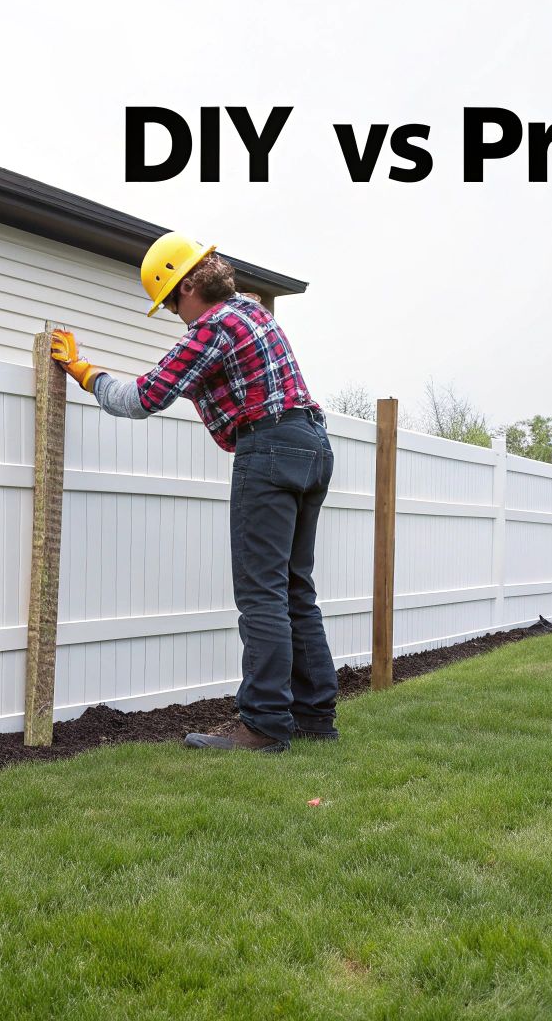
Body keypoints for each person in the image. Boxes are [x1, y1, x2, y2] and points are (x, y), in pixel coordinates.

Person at [50, 233, 338, 752]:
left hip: (269, 449)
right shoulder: (253, 314)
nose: (174, 317)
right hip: (311, 444)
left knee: (262, 593)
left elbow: (143, 398)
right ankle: (315, 716)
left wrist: (83, 371)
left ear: (186, 287)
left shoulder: (213, 326)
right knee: (295, 589)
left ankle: (266, 725)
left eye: (170, 305)